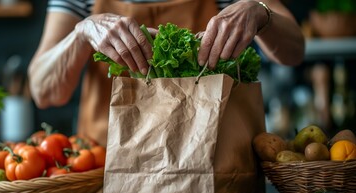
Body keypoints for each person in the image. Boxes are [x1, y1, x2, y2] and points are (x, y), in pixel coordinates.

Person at [28, 0, 305, 147]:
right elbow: (44, 91)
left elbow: (294, 52)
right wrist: (82, 32)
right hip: (109, 174)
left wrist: (261, 13)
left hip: (213, 166)